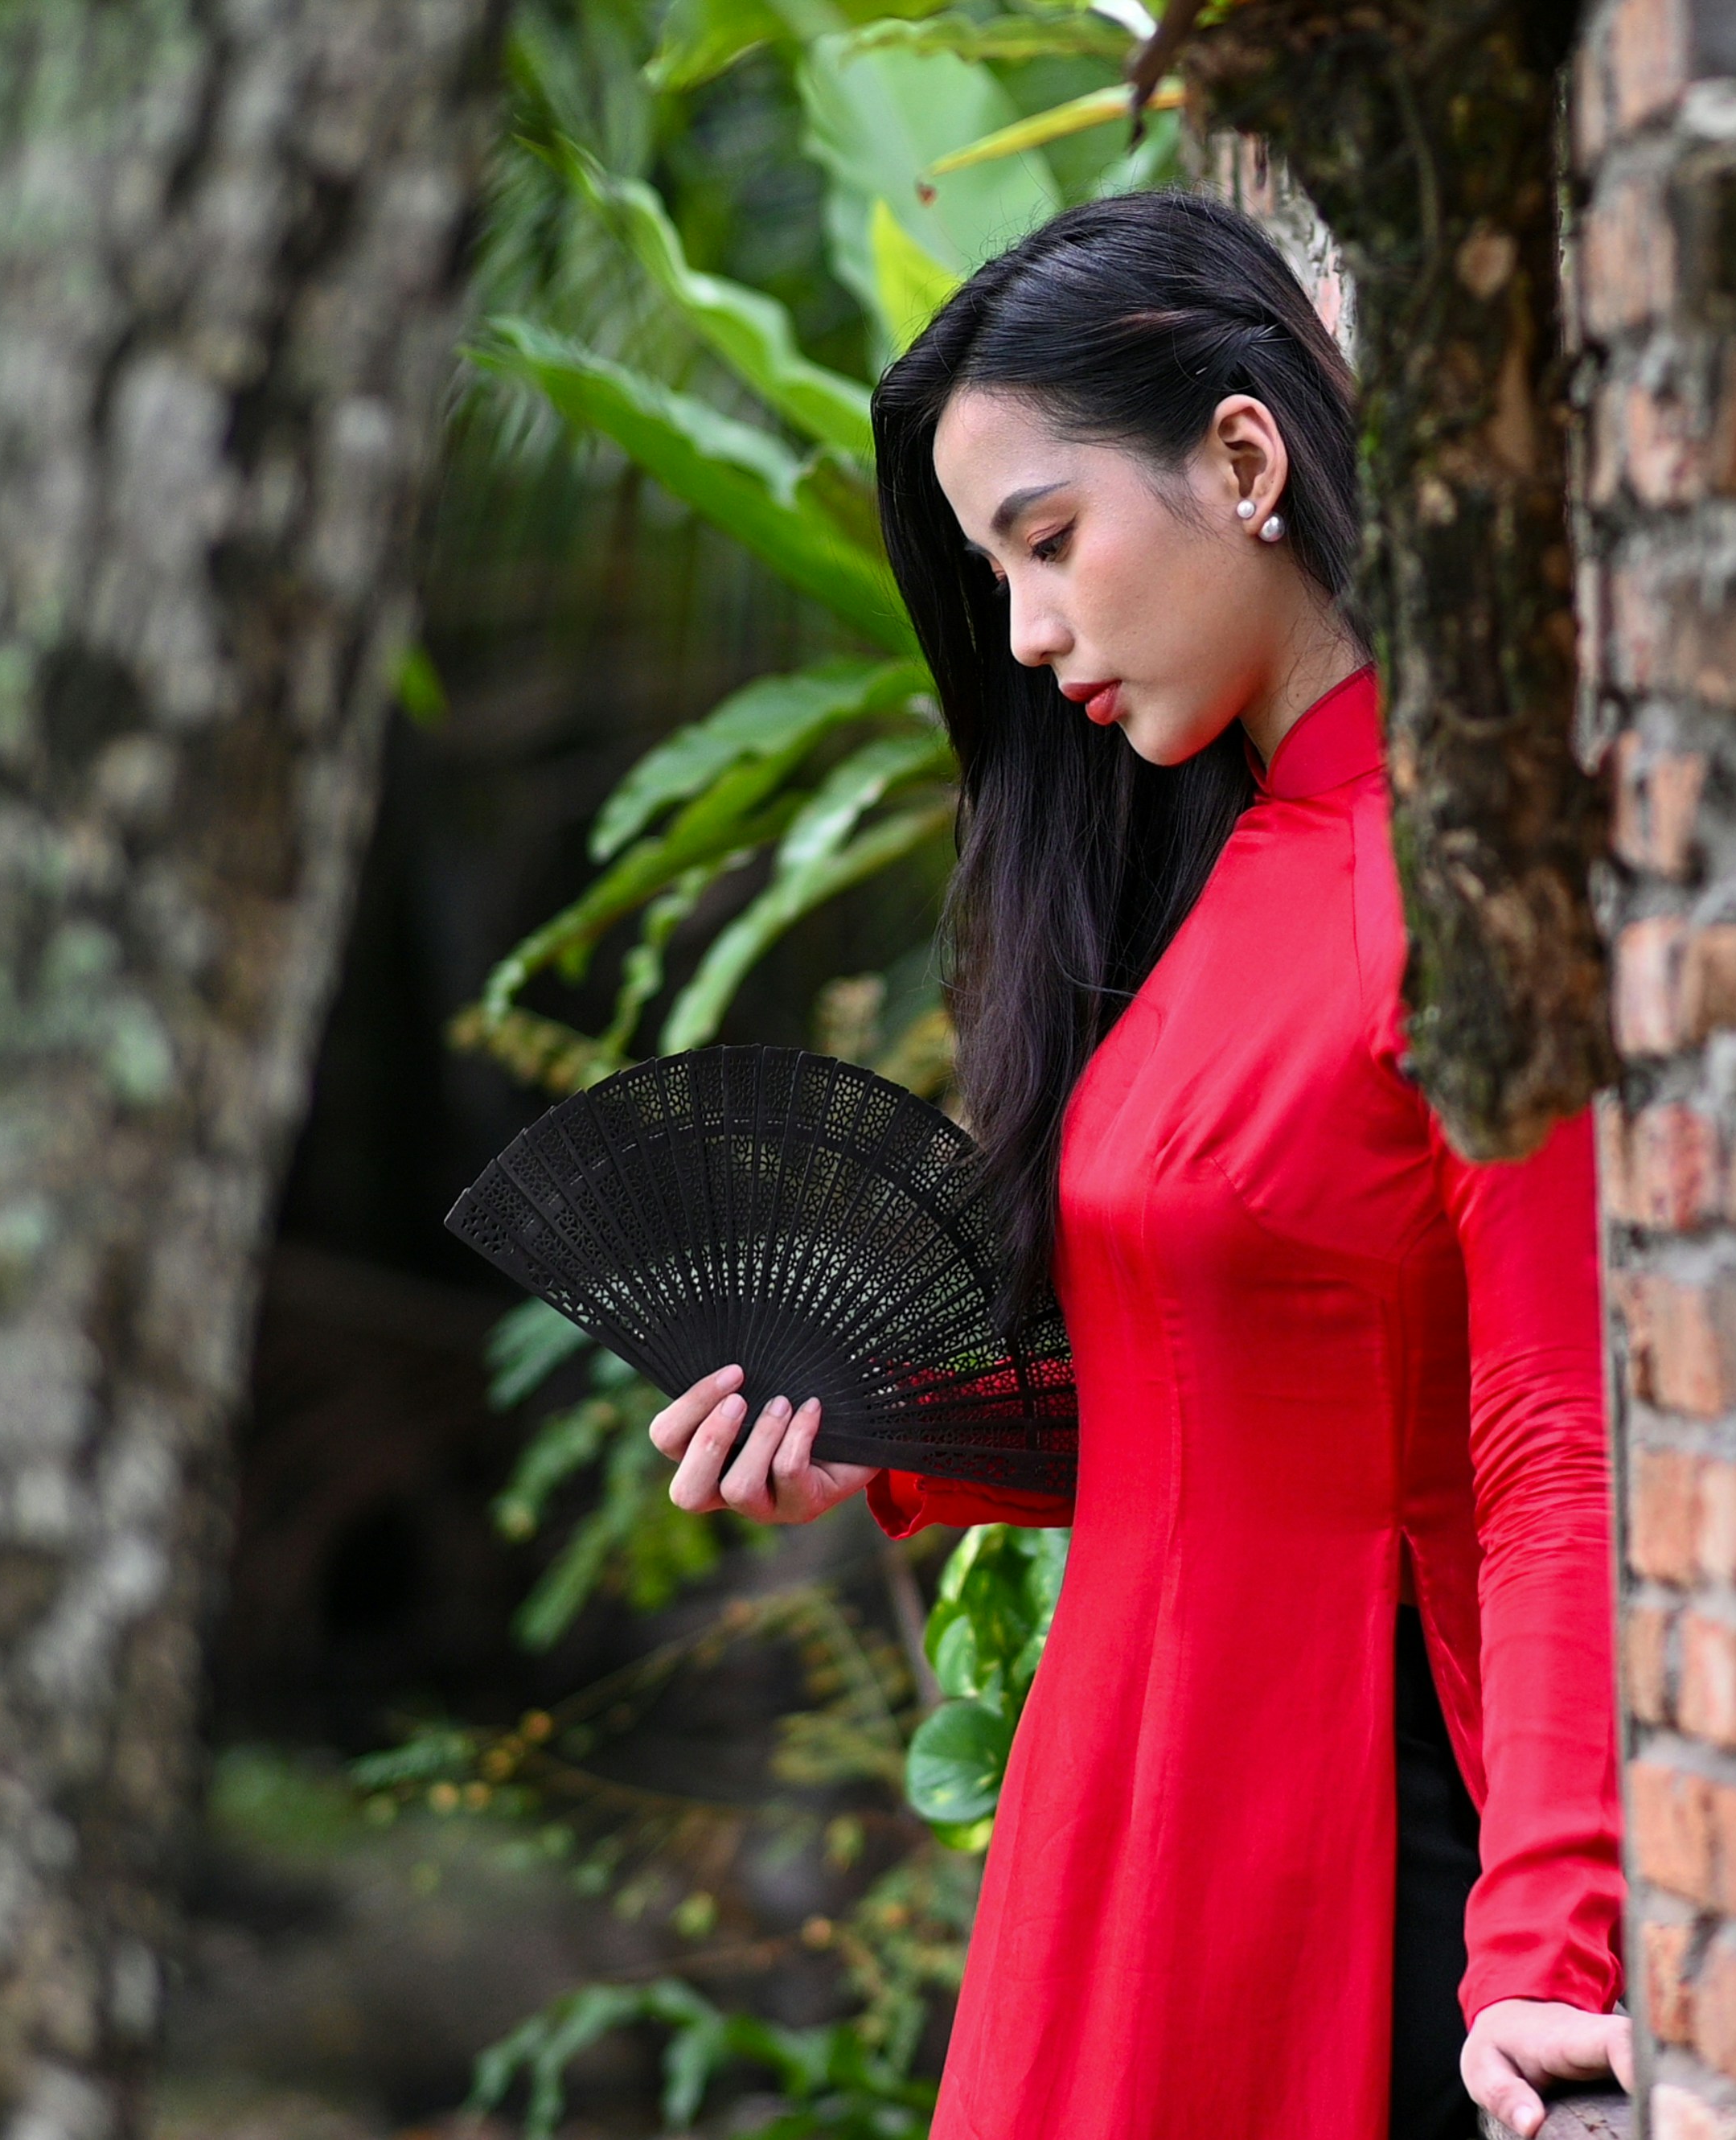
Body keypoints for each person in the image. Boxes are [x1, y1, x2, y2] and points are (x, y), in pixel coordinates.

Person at [634, 191, 1629, 2138]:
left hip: (1332, 1828)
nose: (1025, 631)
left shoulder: (1462, 882)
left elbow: (1544, 1421)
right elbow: (1235, 1350)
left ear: (1245, 456)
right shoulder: (1220, 873)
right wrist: (894, 1435)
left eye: (1049, 541)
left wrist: (1549, 1943)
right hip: (1121, 1807)